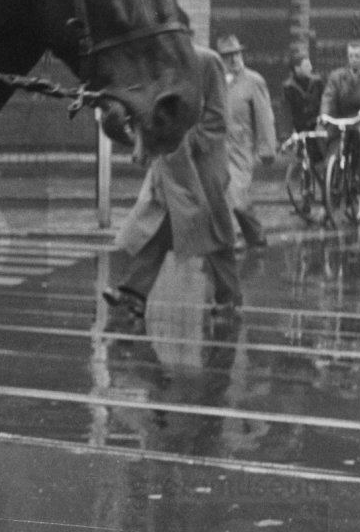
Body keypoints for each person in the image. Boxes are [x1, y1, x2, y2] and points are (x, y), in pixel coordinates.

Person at [103, 43, 241, 325]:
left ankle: (228, 299)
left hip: (202, 166)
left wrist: (184, 144)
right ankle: (133, 294)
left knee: (215, 231)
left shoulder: (207, 61)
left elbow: (217, 118)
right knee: (156, 225)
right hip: (168, 163)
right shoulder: (157, 65)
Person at [214, 34, 275, 250]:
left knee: (236, 193)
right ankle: (246, 238)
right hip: (218, 148)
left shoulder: (253, 81)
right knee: (226, 196)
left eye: (237, 54)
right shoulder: (216, 81)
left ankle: (244, 238)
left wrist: (267, 149)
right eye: (228, 56)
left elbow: (264, 117)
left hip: (241, 149)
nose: (234, 60)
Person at [319, 39, 360, 202]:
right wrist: (325, 116)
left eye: (357, 56)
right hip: (342, 120)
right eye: (350, 56)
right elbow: (328, 98)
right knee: (331, 157)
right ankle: (327, 202)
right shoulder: (337, 77)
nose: (353, 59)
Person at [281, 48, 324, 138]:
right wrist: (290, 133)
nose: (311, 68)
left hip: (318, 130)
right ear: (297, 68)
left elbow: (324, 105)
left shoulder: (317, 83)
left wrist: (321, 124)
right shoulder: (288, 87)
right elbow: (287, 114)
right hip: (298, 132)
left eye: (310, 65)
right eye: (307, 66)